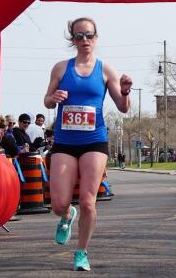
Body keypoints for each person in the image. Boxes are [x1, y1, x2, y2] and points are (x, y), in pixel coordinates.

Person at [43, 16, 132, 271]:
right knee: (59, 203)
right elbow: (47, 101)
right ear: (72, 39)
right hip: (65, 141)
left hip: (94, 140)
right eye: (79, 36)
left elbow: (123, 108)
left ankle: (81, 252)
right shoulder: (61, 68)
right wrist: (53, 97)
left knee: (88, 201)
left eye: (89, 35)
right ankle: (67, 216)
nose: (85, 40)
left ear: (96, 37)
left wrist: (125, 91)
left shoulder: (106, 70)